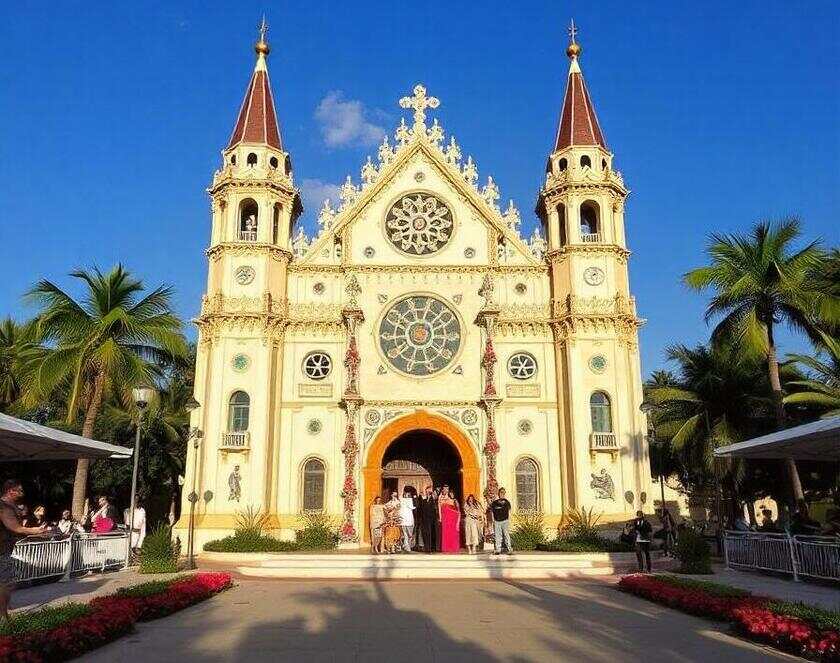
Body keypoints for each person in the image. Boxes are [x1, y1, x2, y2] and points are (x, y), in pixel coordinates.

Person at [1, 480, 48, 623]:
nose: (22, 493)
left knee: (6, 582)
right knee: (6, 583)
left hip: (5, 548)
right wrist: (35, 530)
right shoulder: (3, 506)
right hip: (1, 550)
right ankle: (3, 617)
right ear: (10, 491)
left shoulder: (9, 506)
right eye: (20, 490)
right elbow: (15, 527)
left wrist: (36, 533)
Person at [490, 488, 513, 555]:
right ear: (498, 494)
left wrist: (509, 520)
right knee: (497, 536)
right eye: (501, 493)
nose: (502, 494)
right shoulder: (495, 503)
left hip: (505, 521)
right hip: (497, 521)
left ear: (504, 494)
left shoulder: (507, 502)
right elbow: (492, 512)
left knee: (506, 535)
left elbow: (509, 511)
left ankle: (509, 549)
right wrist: (493, 520)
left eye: (503, 493)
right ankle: (498, 550)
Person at [438, 486, 460, 553]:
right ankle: (446, 548)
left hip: (452, 518)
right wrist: (440, 517)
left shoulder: (454, 500)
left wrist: (457, 520)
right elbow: (439, 507)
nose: (445, 490)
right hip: (445, 518)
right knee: (446, 533)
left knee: (452, 532)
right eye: (444, 489)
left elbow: (458, 510)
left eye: (447, 489)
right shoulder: (441, 498)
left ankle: (453, 547)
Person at [417, 485, 438, 553]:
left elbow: (436, 506)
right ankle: (427, 548)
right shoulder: (423, 498)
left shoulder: (434, 498)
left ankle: (432, 548)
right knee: (426, 534)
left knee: (432, 533)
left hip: (432, 519)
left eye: (430, 490)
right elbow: (420, 508)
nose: (429, 491)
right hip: (425, 519)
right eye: (427, 490)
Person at [399, 488, 416, 553]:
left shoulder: (410, 500)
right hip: (404, 520)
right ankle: (407, 547)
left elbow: (413, 507)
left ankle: (407, 545)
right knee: (405, 534)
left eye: (408, 495)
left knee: (409, 534)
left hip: (409, 519)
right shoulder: (402, 500)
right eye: (406, 494)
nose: (407, 495)